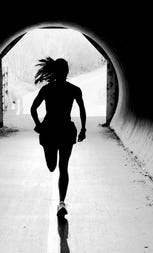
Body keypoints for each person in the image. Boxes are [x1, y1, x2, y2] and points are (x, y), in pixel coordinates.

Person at [30, 57, 86, 217]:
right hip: (64, 130)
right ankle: (61, 202)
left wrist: (39, 124)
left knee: (58, 166)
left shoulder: (48, 89)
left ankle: (62, 202)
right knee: (58, 167)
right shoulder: (74, 89)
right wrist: (83, 129)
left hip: (50, 130)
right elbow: (82, 110)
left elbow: (33, 108)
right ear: (66, 71)